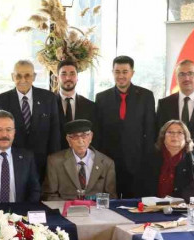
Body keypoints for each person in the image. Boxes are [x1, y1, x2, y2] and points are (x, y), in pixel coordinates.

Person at [93, 56, 156, 197]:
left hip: (137, 163)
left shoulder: (146, 96)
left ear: (132, 73)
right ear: (112, 72)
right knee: (108, 204)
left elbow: (150, 130)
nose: (121, 76)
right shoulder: (102, 97)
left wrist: (147, 160)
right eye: (117, 71)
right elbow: (98, 131)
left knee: (133, 204)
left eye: (125, 71)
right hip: (109, 162)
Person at [0, 60, 60, 181]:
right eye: (18, 76)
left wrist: (54, 162)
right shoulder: (0, 100)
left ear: (34, 76)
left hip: (42, 163)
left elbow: (54, 133)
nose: (23, 80)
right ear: (12, 77)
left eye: (27, 75)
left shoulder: (48, 98)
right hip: (12, 162)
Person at [43, 119, 116, 201]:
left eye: (84, 135)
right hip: (66, 210)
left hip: (96, 211)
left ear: (91, 137)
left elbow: (111, 197)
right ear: (68, 140)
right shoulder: (55, 161)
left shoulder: (106, 163)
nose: (80, 141)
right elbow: (50, 196)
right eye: (75, 137)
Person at [151, 120, 194, 198]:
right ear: (163, 137)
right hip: (151, 207)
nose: (174, 135)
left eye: (179, 132)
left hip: (183, 208)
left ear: (186, 138)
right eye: (170, 132)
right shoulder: (149, 160)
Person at [55, 60, 96, 150]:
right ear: (57, 78)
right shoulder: (49, 104)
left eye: (72, 73)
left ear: (77, 77)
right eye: (64, 74)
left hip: (81, 158)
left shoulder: (90, 106)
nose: (68, 77)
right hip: (55, 158)